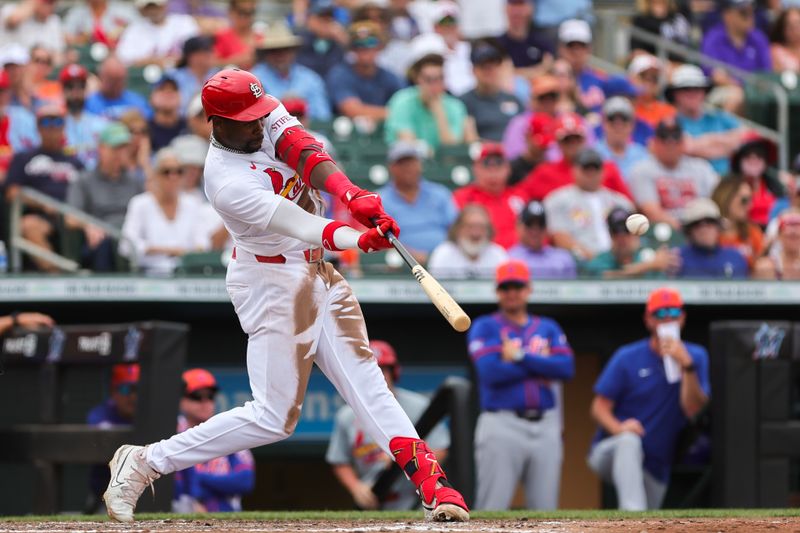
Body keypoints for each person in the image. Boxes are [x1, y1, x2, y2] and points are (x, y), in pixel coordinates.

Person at [102, 68, 469, 523]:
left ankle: (431, 482)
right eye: (247, 120)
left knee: (368, 381)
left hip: (316, 269)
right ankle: (144, 461)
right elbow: (300, 224)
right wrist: (358, 238)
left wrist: (350, 194)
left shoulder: (260, 110)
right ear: (217, 122)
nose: (259, 123)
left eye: (261, 113)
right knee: (274, 417)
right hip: (270, 281)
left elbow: (305, 151)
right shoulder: (225, 181)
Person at [588, 287, 710, 510]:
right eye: (660, 314)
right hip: (611, 451)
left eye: (673, 313)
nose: (667, 319)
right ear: (648, 320)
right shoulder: (627, 356)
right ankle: (632, 517)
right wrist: (620, 429)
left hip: (656, 462)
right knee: (629, 443)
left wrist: (687, 367)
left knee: (651, 519)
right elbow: (599, 407)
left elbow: (692, 408)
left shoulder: (696, 355)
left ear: (682, 317)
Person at [468, 259, 574, 509]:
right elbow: (490, 371)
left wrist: (519, 356)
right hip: (502, 424)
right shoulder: (486, 326)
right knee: (492, 507)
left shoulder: (547, 327)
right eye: (506, 288)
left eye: (517, 286)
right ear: (498, 292)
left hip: (546, 425)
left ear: (528, 289)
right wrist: (540, 363)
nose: (512, 293)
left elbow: (566, 369)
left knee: (545, 511)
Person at [327, 340, 450, 510]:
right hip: (374, 497)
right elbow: (339, 460)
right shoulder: (346, 415)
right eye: (369, 371)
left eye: (382, 370)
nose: (376, 376)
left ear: (394, 372)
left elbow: (441, 449)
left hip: (415, 499)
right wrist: (356, 487)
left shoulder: (418, 406)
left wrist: (406, 458)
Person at [6, 104, 84, 272]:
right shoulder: (24, 158)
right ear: (37, 127)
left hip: (72, 215)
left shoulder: (75, 162)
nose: (51, 127)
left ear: (64, 126)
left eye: (57, 121)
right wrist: (42, 204)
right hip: (41, 215)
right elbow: (12, 192)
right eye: (45, 122)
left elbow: (87, 193)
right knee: (29, 225)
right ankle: (57, 275)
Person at [173, 369, 255, 513]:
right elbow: (171, 485)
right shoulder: (172, 433)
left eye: (210, 396)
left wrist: (196, 479)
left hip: (225, 512)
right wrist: (216, 486)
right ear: (181, 400)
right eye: (196, 396)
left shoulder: (227, 430)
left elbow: (245, 481)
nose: (205, 402)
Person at [67, 122, 143, 272]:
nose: (120, 154)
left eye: (124, 148)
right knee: (106, 243)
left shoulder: (136, 181)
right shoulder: (84, 180)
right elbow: (71, 218)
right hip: (102, 239)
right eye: (115, 148)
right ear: (101, 149)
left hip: (131, 236)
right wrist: (88, 225)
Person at [119, 147, 209, 274]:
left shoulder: (193, 203)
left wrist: (184, 253)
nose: (173, 177)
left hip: (187, 274)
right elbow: (126, 245)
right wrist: (168, 250)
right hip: (148, 275)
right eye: (166, 172)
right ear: (156, 175)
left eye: (178, 172)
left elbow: (203, 244)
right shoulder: (140, 204)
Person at [543, 148, 634, 261]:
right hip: (581, 264)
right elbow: (559, 236)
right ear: (574, 170)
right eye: (586, 169)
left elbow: (634, 238)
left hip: (619, 260)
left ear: (603, 171)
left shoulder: (621, 202)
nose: (591, 173)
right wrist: (594, 259)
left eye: (595, 169)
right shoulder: (557, 200)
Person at [518, 113, 632, 202]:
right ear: (558, 143)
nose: (573, 144)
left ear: (584, 140)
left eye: (577, 138)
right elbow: (519, 197)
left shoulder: (607, 168)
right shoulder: (544, 173)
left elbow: (628, 204)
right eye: (567, 140)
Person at [629, 118, 720, 230]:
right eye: (664, 138)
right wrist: (685, 229)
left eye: (675, 138)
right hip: (665, 231)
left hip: (701, 226)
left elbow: (718, 200)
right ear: (654, 142)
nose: (670, 143)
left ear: (683, 142)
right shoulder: (642, 170)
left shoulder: (701, 167)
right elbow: (651, 211)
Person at [378, 141, 456, 261]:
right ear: (391, 168)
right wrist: (410, 255)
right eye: (401, 163)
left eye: (412, 162)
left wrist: (441, 254)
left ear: (420, 165)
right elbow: (376, 238)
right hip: (400, 264)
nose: (408, 167)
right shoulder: (380, 199)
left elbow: (456, 230)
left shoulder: (439, 193)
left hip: (444, 262)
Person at [384, 51, 476, 151]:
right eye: (428, 79)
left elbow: (451, 149)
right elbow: (407, 143)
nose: (434, 85)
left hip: (445, 163)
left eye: (440, 78)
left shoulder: (455, 106)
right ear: (418, 80)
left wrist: (439, 111)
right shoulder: (402, 100)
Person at [665, 64, 745, 175]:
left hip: (727, 183)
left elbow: (746, 138)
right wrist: (727, 144)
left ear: (704, 92)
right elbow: (688, 148)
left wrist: (701, 143)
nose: (692, 93)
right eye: (686, 89)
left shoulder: (719, 116)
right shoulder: (672, 122)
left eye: (697, 88)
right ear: (675, 94)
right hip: (693, 183)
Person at [251, 21, 332, 121]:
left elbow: (323, 118)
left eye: (285, 50)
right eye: (274, 51)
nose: (280, 55)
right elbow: (254, 119)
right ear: (266, 54)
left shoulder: (311, 79)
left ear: (293, 51)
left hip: (309, 133)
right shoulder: (254, 80)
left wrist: (301, 108)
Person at [86, 363, 140, 512]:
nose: (132, 396)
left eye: (136, 389)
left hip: (145, 494)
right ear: (113, 391)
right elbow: (99, 429)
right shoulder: (103, 413)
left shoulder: (149, 414)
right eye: (125, 389)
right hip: (104, 494)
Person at [325, 21, 404, 122]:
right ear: (352, 49)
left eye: (371, 43)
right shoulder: (340, 74)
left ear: (379, 47)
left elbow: (406, 105)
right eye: (359, 45)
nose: (365, 49)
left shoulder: (389, 77)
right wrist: (393, 113)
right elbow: (352, 110)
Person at [453, 143, 521, 249]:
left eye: (498, 166)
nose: (493, 173)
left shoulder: (519, 196)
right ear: (475, 168)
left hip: (515, 258)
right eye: (486, 166)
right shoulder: (462, 197)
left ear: (508, 169)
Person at [582, 206, 679, 278]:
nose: (621, 237)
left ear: (636, 234)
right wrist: (647, 266)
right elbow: (606, 277)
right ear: (610, 234)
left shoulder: (648, 256)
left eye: (627, 231)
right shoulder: (601, 260)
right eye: (616, 232)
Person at [460, 41, 523, 142]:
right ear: (473, 70)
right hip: (485, 153)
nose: (489, 71)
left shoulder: (514, 99)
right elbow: (469, 138)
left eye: (493, 66)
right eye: (484, 67)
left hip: (515, 153)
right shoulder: (464, 101)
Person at [428, 204, 508, 279]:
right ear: (458, 229)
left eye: (481, 227)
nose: (476, 233)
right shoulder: (443, 253)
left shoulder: (498, 254)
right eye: (470, 227)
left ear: (488, 230)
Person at [677, 197, 748, 278]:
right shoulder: (677, 260)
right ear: (689, 231)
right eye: (696, 224)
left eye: (710, 221)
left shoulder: (735, 257)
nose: (704, 228)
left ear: (719, 226)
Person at [116, 0, 199, 68]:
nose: (153, 11)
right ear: (143, 9)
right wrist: (154, 61)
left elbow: (196, 52)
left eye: (156, 6)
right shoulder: (134, 29)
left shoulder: (184, 22)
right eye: (149, 7)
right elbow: (123, 57)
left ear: (165, 5)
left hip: (180, 73)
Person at [507, 200, 577, 279]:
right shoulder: (508, 258)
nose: (535, 230)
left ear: (547, 228)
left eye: (540, 225)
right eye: (529, 224)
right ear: (518, 226)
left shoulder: (563, 258)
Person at [701, 0, 772, 76]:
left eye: (752, 12)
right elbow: (714, 72)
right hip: (727, 86)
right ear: (727, 15)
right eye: (744, 13)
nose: (750, 17)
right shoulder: (713, 38)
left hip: (755, 87)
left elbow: (766, 73)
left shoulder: (759, 38)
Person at [60, 64, 109, 171]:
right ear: (63, 90)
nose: (75, 92)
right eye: (70, 87)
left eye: (80, 86)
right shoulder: (54, 125)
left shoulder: (101, 124)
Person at [729, 134, 784, 227]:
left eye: (759, 155)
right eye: (747, 155)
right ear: (738, 160)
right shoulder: (729, 187)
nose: (754, 159)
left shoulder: (777, 187)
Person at [594, 96, 649, 185]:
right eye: (612, 119)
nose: (618, 125)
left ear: (632, 124)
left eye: (624, 119)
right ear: (603, 123)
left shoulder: (642, 154)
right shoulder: (594, 153)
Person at [712, 176, 765, 267]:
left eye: (751, 200)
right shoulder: (707, 230)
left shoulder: (752, 232)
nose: (750, 205)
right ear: (726, 197)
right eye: (744, 200)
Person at [497, 0, 554, 79]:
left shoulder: (543, 43)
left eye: (521, 5)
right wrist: (539, 70)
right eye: (513, 5)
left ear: (531, 8)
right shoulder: (497, 45)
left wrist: (513, 72)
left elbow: (550, 67)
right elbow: (498, 73)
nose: (517, 11)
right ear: (506, 9)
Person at [556, 19, 605, 111]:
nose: (576, 52)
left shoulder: (599, 78)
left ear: (589, 49)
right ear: (560, 48)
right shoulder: (549, 79)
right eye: (571, 46)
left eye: (582, 46)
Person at [85, 56, 152, 120]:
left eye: (119, 80)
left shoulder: (137, 102)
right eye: (111, 80)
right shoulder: (89, 103)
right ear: (101, 77)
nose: (115, 85)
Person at [295, 1, 347, 79]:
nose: (325, 23)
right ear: (309, 19)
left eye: (329, 19)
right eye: (321, 19)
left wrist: (345, 43)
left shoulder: (337, 41)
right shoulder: (299, 40)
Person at [169, 36, 219, 117]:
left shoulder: (218, 75)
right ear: (190, 56)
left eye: (210, 50)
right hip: (182, 123)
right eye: (204, 51)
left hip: (211, 121)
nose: (209, 54)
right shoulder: (173, 77)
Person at [0, 0, 65, 60]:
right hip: (11, 65)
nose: (49, 7)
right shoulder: (10, 10)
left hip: (39, 67)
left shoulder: (54, 21)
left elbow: (58, 55)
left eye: (51, 3)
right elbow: (13, 21)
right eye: (46, 3)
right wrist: (31, 6)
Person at [63, 0, 139, 50]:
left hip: (116, 55)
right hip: (86, 55)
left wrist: (120, 32)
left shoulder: (123, 10)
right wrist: (83, 38)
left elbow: (139, 30)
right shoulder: (77, 12)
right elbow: (66, 37)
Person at [628, 54, 675, 128]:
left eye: (655, 78)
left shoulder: (669, 112)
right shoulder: (624, 108)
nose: (649, 82)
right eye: (644, 76)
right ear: (632, 78)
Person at [509, 113, 555, 186]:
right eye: (539, 143)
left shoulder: (551, 167)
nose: (543, 148)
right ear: (527, 136)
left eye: (546, 145)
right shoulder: (512, 169)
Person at [213, 0, 260, 70]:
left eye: (250, 12)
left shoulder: (260, 36)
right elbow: (212, 63)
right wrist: (238, 60)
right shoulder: (222, 36)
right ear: (231, 12)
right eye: (241, 12)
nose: (246, 17)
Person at [754, 211, 800, 279]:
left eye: (797, 237)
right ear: (779, 236)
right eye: (790, 237)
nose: (794, 232)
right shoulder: (766, 266)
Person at [147, 78, 188, 152]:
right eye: (162, 89)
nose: (168, 92)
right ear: (151, 98)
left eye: (174, 89)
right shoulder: (144, 129)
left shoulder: (190, 127)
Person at [769, 7, 800, 72]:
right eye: (789, 25)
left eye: (797, 24)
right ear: (783, 29)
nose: (794, 30)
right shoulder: (775, 51)